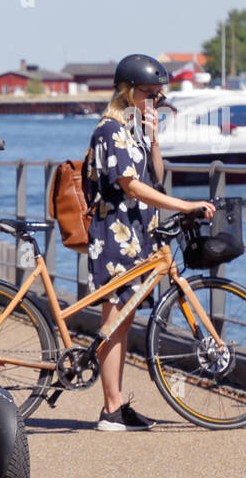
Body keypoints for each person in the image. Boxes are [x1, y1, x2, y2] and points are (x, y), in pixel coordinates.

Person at [84, 54, 214, 431]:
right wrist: (186, 204)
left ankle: (117, 404)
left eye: (159, 96)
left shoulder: (133, 130)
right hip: (114, 234)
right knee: (114, 320)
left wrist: (154, 138)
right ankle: (111, 408)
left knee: (123, 322)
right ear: (127, 91)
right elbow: (131, 185)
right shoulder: (109, 129)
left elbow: (155, 177)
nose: (154, 102)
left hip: (136, 233)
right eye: (149, 94)